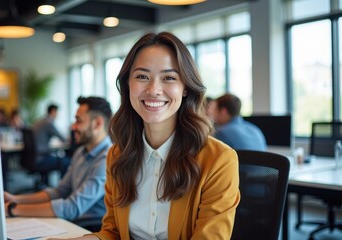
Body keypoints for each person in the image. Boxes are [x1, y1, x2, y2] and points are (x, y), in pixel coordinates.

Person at [51, 32, 240, 240]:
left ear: (185, 88)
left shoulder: (219, 160)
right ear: (128, 85)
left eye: (169, 78)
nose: (153, 90)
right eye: (142, 76)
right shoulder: (118, 155)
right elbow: (113, 232)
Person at [4, 96, 113, 226]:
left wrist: (13, 209)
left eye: (78, 121)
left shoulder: (108, 159)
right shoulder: (81, 152)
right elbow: (59, 192)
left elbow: (72, 208)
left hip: (91, 228)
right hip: (70, 222)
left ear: (97, 124)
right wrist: (15, 199)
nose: (73, 126)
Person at [32, 104, 68, 176]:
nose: (57, 115)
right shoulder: (48, 123)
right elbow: (63, 138)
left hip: (33, 157)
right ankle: (63, 186)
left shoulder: (40, 121)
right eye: (57, 113)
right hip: (41, 158)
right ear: (53, 111)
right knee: (66, 162)